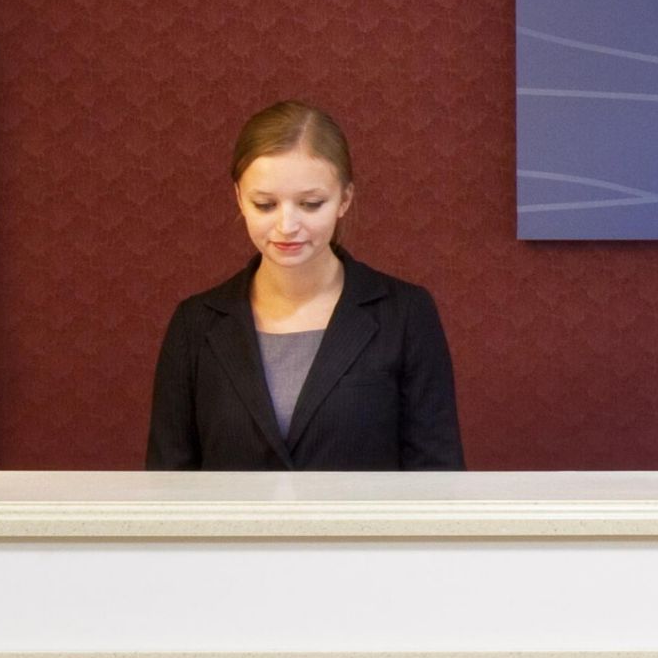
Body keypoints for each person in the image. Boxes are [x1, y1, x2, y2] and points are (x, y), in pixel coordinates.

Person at [146, 101, 465, 470]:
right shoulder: (195, 323)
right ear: (239, 198)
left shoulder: (405, 314)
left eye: (311, 204)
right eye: (265, 204)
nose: (287, 226)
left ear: (345, 199)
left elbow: (437, 477)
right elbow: (168, 480)